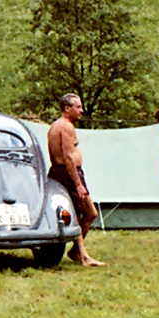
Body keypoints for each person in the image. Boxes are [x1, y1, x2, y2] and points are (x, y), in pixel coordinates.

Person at [47, 93, 104, 267]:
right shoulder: (65, 127)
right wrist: (78, 184)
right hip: (68, 174)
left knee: (80, 213)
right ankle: (81, 254)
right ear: (67, 108)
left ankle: (79, 252)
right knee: (90, 212)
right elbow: (68, 157)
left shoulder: (57, 125)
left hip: (64, 172)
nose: (81, 110)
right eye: (77, 107)